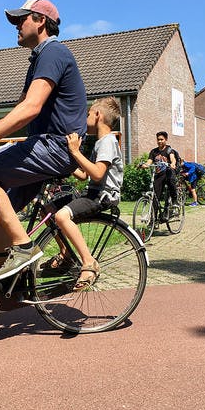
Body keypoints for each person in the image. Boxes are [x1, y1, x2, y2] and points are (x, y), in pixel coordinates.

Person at [0, 0, 88, 320]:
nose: (16, 26)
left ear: (40, 21)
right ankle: (2, 293)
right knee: (2, 213)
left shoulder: (53, 53)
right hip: (43, 144)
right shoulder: (38, 60)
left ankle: (26, 249)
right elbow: (20, 110)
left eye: (21, 20)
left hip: (55, 146)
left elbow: (30, 109)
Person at [42, 97, 123, 290]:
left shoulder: (108, 142)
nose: (85, 118)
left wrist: (76, 152)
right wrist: (63, 162)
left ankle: (89, 263)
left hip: (102, 196)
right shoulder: (100, 143)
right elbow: (84, 175)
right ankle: (66, 255)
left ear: (98, 115)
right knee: (48, 209)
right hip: (92, 192)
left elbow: (97, 174)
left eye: (88, 114)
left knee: (62, 216)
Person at [141, 131, 178, 205]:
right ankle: (154, 215)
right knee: (155, 196)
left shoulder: (169, 150)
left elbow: (172, 159)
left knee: (171, 183)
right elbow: (149, 162)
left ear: (166, 139)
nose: (159, 141)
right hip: (158, 175)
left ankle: (174, 200)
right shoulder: (153, 151)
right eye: (158, 139)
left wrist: (173, 164)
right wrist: (145, 165)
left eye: (162, 139)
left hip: (168, 174)